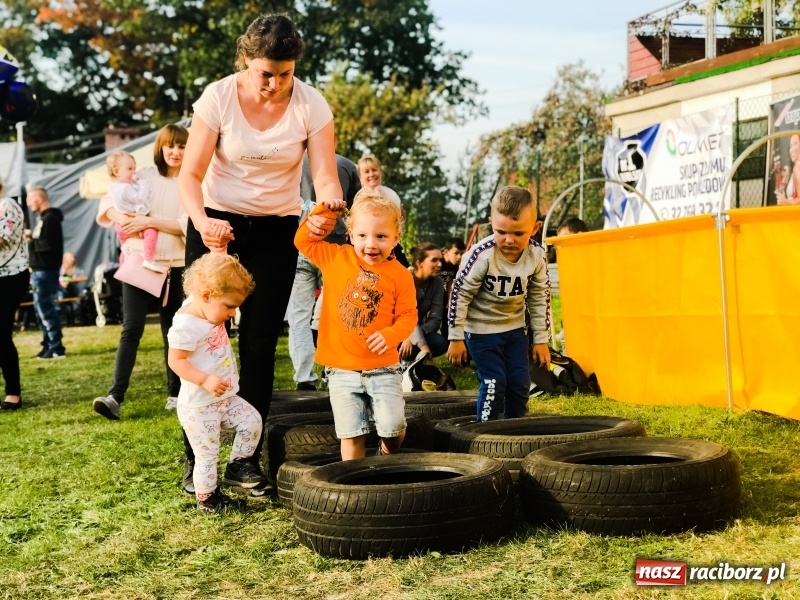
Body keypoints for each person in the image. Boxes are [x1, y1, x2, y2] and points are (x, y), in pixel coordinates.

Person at [178, 13, 341, 486]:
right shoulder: (219, 97)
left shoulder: (312, 105)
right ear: (246, 61)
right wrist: (204, 222)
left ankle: (244, 458)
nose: (273, 84)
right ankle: (197, 456)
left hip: (276, 227)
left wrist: (327, 208)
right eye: (264, 73)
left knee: (260, 340)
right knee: (205, 337)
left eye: (284, 74)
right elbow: (190, 174)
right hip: (216, 222)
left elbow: (325, 174)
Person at [294, 190, 417, 459]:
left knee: (393, 429)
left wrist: (391, 334)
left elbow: (408, 315)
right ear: (350, 235)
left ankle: (386, 451)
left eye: (381, 236)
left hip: (383, 368)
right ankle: (356, 486)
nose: (371, 244)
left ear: (396, 238)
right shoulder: (336, 258)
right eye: (362, 235)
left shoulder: (400, 276)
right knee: (351, 435)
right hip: (341, 370)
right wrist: (324, 212)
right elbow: (302, 240)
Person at [92, 123, 189, 421]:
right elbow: (109, 200)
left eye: (182, 146)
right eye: (170, 145)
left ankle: (176, 394)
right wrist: (125, 217)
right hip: (139, 263)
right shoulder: (143, 174)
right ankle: (115, 396)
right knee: (131, 329)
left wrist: (149, 222)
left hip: (177, 266)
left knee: (173, 333)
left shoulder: (193, 182)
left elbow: (188, 226)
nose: (175, 152)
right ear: (160, 147)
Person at [168, 253, 265, 513]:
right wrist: (205, 379)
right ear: (207, 296)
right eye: (229, 306)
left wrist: (221, 251)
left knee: (252, 421)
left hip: (224, 397)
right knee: (207, 457)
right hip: (200, 407)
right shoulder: (186, 325)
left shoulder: (206, 302)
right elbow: (176, 361)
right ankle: (208, 501)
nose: (232, 313)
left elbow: (211, 271)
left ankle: (238, 464)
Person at [447, 185, 551, 422]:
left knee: (519, 383)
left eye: (518, 233)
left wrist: (541, 340)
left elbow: (539, 296)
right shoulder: (482, 254)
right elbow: (459, 294)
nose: (509, 240)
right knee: (494, 382)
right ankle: (485, 432)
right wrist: (455, 338)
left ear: (535, 228)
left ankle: (513, 430)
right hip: (481, 331)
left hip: (515, 330)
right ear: (491, 222)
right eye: (501, 231)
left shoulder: (537, 255)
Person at [287, 152, 360, 391]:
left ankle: (304, 377)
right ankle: (335, 369)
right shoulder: (347, 165)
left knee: (299, 314)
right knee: (338, 311)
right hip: (336, 245)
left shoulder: (293, 161)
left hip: (301, 242)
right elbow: (355, 211)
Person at [106, 151, 165, 274]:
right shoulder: (125, 188)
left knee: (125, 249)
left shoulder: (115, 186)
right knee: (151, 232)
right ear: (116, 171)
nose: (134, 171)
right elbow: (140, 198)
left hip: (120, 225)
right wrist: (143, 183)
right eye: (130, 168)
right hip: (131, 222)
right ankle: (149, 259)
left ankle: (123, 266)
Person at [26, 186, 66, 360]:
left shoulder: (50, 219)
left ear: (39, 199)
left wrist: (30, 239)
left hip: (45, 271)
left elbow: (47, 245)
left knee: (46, 309)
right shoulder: (44, 219)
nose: (28, 203)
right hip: (39, 271)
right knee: (40, 310)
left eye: (29, 199)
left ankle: (56, 348)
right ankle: (47, 345)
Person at [0, 177, 30, 410]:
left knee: (1, 333)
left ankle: (13, 392)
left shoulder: (7, 205)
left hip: (10, 277)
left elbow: (3, 238)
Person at [357, 155, 408, 267]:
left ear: (380, 172)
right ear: (360, 177)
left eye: (374, 170)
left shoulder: (391, 194)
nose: (371, 174)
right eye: (366, 171)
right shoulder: (357, 197)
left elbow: (401, 219)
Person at [400, 242, 447, 360]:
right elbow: (406, 315)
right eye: (434, 260)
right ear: (419, 263)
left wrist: (416, 336)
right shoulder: (404, 279)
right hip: (394, 329)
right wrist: (423, 345)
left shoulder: (438, 283)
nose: (440, 264)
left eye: (440, 260)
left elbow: (435, 318)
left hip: (418, 330)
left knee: (439, 342)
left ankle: (414, 359)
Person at [438, 237, 465, 340]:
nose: (459, 257)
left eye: (462, 253)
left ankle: (446, 338)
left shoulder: (454, 265)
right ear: (446, 252)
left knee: (447, 312)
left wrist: (450, 301)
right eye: (456, 253)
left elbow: (450, 282)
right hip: (431, 293)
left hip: (442, 292)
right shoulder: (438, 262)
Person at [776, 134, 800, 205]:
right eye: (790, 146)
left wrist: (785, 201)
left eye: (795, 143)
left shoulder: (797, 168)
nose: (792, 149)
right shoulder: (795, 168)